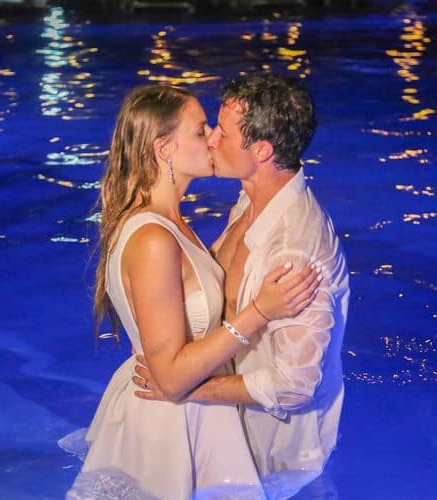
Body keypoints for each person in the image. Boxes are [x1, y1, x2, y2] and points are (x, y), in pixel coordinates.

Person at [59, 84, 323, 500]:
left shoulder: (170, 223)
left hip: (188, 419)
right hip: (172, 427)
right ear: (165, 149)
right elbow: (170, 377)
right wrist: (258, 312)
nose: (213, 140)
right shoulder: (153, 238)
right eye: (202, 131)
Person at [135, 75, 350, 499]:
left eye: (223, 132)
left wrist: (187, 387)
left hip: (275, 462)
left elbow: (294, 385)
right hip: (229, 435)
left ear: (262, 151)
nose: (211, 140)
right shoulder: (252, 200)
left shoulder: (295, 252)